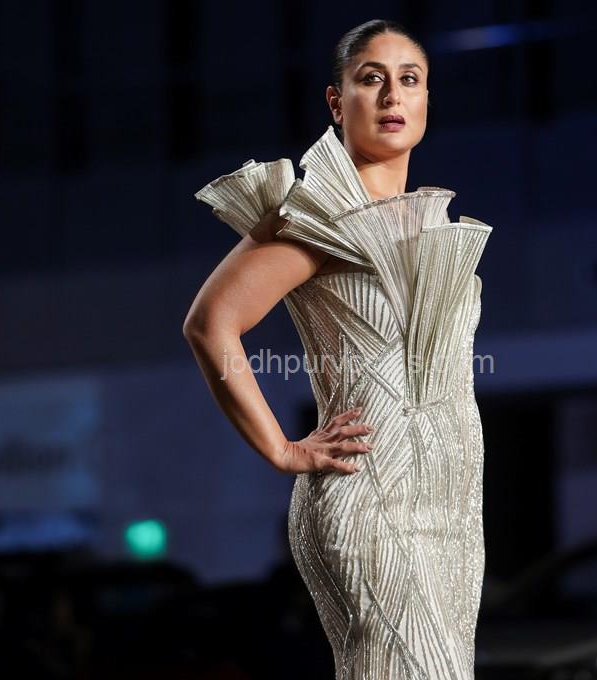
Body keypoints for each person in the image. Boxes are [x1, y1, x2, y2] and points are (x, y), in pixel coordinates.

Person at [184, 19, 493, 680]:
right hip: (371, 501)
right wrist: (282, 449)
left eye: (409, 80)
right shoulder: (321, 214)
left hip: (454, 511)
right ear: (336, 101)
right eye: (371, 79)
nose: (392, 96)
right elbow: (211, 323)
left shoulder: (425, 218)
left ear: (427, 99)